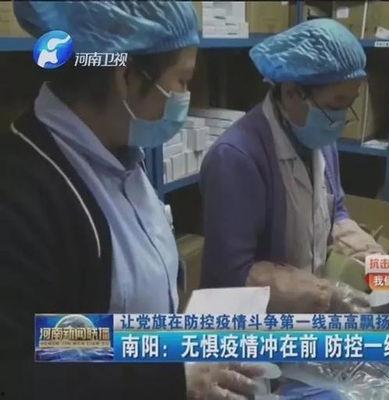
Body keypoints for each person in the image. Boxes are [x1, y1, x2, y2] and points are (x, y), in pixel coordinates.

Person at [0, 2, 260, 399]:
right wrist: (169, 376)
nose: (186, 96)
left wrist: (177, 345)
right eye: (183, 80)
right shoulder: (22, 192)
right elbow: (29, 358)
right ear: (125, 76)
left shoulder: (119, 146)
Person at [200, 19, 383, 313]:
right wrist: (324, 294)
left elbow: (335, 212)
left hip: (301, 315)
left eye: (350, 103)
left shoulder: (321, 139)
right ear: (292, 93)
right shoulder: (235, 158)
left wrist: (372, 255)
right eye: (335, 104)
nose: (340, 119)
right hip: (249, 323)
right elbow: (232, 273)